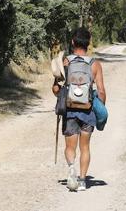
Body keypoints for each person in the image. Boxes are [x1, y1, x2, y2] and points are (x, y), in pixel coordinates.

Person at [52, 28, 106, 192]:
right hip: (88, 111)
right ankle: (82, 181)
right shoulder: (94, 64)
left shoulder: (65, 62)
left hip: (70, 111)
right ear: (88, 44)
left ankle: (71, 171)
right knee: (85, 147)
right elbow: (102, 91)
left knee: (70, 146)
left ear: (73, 42)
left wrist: (62, 92)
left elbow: (55, 89)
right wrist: (99, 107)